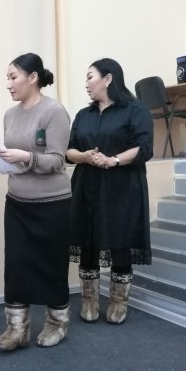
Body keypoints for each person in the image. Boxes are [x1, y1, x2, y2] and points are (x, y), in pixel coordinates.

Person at [0, 53, 72, 351]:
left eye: (13, 77)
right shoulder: (10, 115)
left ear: (33, 78)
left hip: (52, 203)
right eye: (7, 78)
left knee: (51, 264)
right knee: (16, 264)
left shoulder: (54, 112)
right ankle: (17, 328)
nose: (8, 84)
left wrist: (26, 157)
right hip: (17, 201)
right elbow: (12, 158)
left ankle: (57, 323)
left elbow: (57, 161)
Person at [66, 58, 153, 324]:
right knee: (88, 241)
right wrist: (84, 156)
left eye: (90, 77)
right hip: (87, 185)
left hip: (123, 187)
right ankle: (89, 301)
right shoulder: (84, 115)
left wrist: (112, 160)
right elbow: (69, 150)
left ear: (108, 78)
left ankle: (118, 302)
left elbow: (144, 147)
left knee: (121, 241)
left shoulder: (135, 110)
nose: (86, 83)